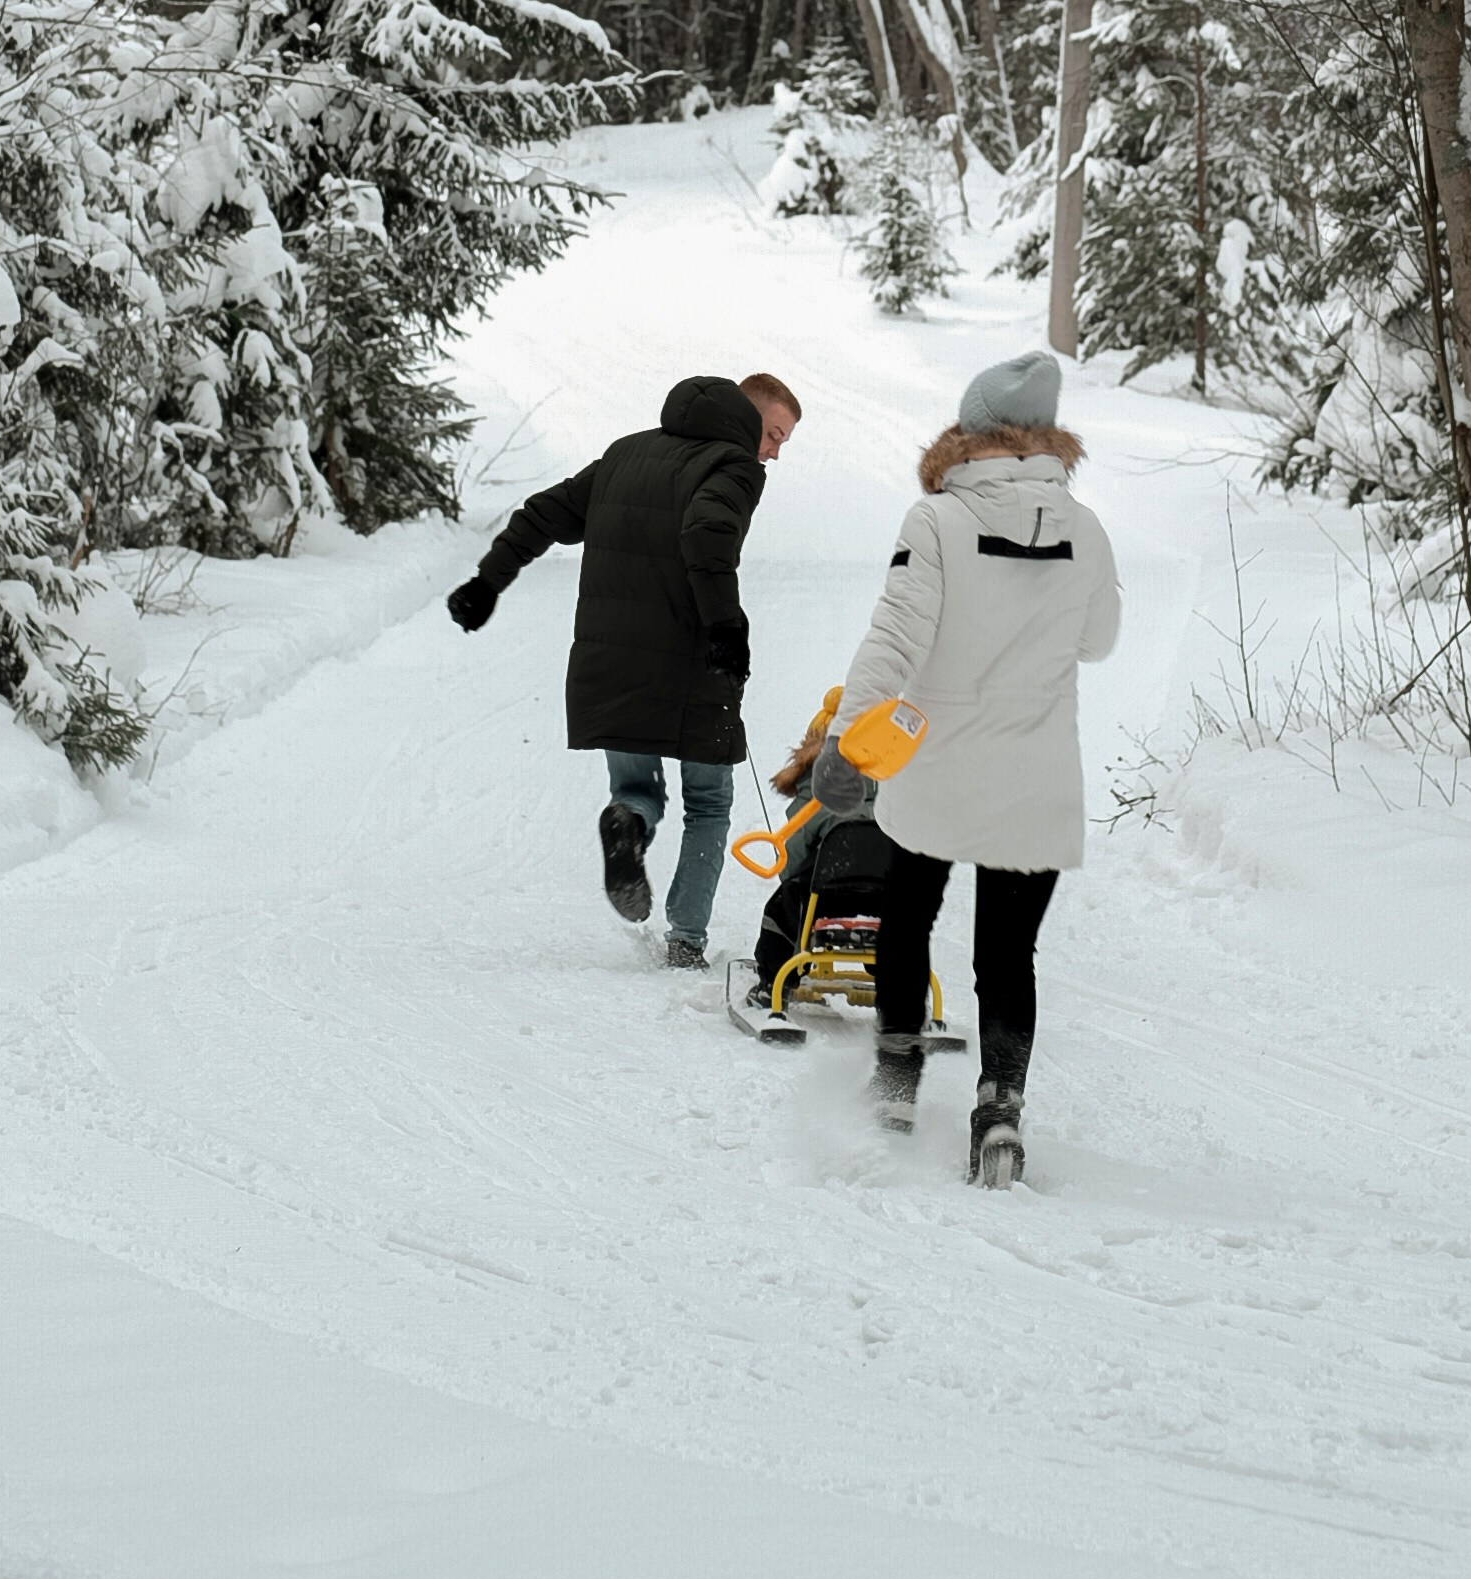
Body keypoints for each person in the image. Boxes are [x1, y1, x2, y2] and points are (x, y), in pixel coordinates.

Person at [815, 349, 1119, 1182]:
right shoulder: (1085, 529)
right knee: (1006, 956)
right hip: (1037, 774)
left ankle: (898, 1080)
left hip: (939, 765)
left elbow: (896, 636)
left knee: (907, 918)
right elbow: (1100, 642)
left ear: (971, 433)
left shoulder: (938, 521)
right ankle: (999, 1111)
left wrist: (844, 739)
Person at [446, 371, 801, 967]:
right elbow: (708, 534)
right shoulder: (737, 468)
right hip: (693, 660)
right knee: (709, 803)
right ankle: (686, 941)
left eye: (782, 443)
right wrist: (724, 628)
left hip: (610, 662)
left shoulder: (623, 454)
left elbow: (542, 515)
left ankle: (627, 825)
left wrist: (488, 581)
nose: (772, 452)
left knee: (635, 789)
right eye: (772, 433)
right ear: (744, 415)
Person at [745, 687, 878, 1003]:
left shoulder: (815, 801)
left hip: (821, 903)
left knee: (783, 906)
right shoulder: (888, 800)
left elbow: (791, 858)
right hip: (883, 902)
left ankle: (773, 984)